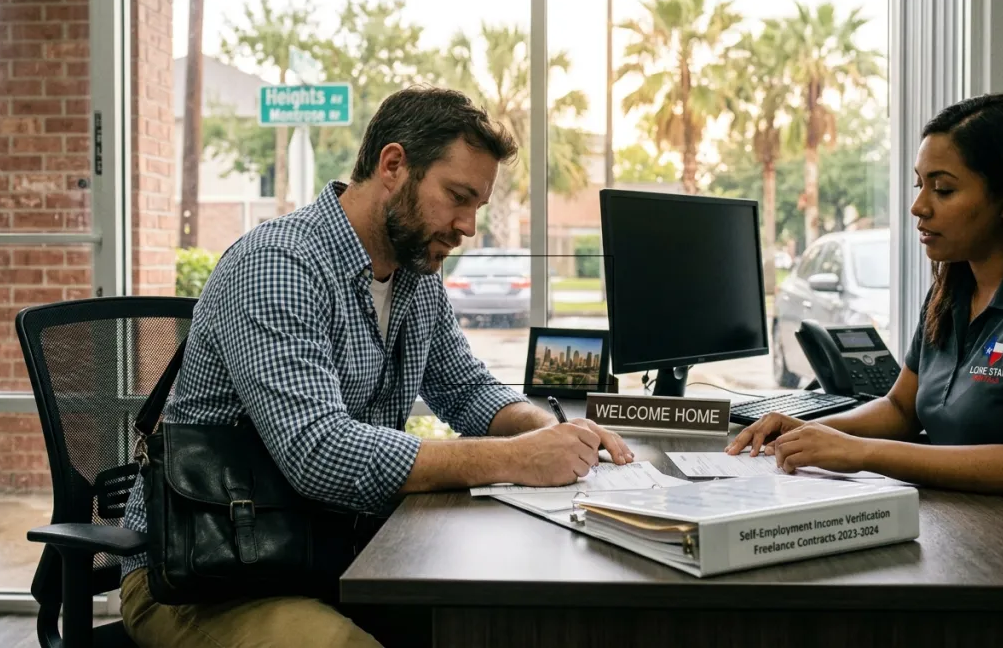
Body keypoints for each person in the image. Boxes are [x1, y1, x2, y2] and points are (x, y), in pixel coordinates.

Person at [118, 86, 633, 648]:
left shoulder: (415, 273)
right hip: (202, 575)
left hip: (323, 551)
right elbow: (320, 452)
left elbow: (466, 389)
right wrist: (515, 459)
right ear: (393, 165)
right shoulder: (279, 266)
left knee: (497, 622)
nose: (467, 227)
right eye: (457, 196)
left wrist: (549, 433)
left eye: (476, 207)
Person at [728, 93, 1003, 552]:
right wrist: (814, 431)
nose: (919, 206)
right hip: (972, 535)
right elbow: (901, 409)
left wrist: (862, 454)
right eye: (919, 185)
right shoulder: (952, 290)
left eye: (943, 189)